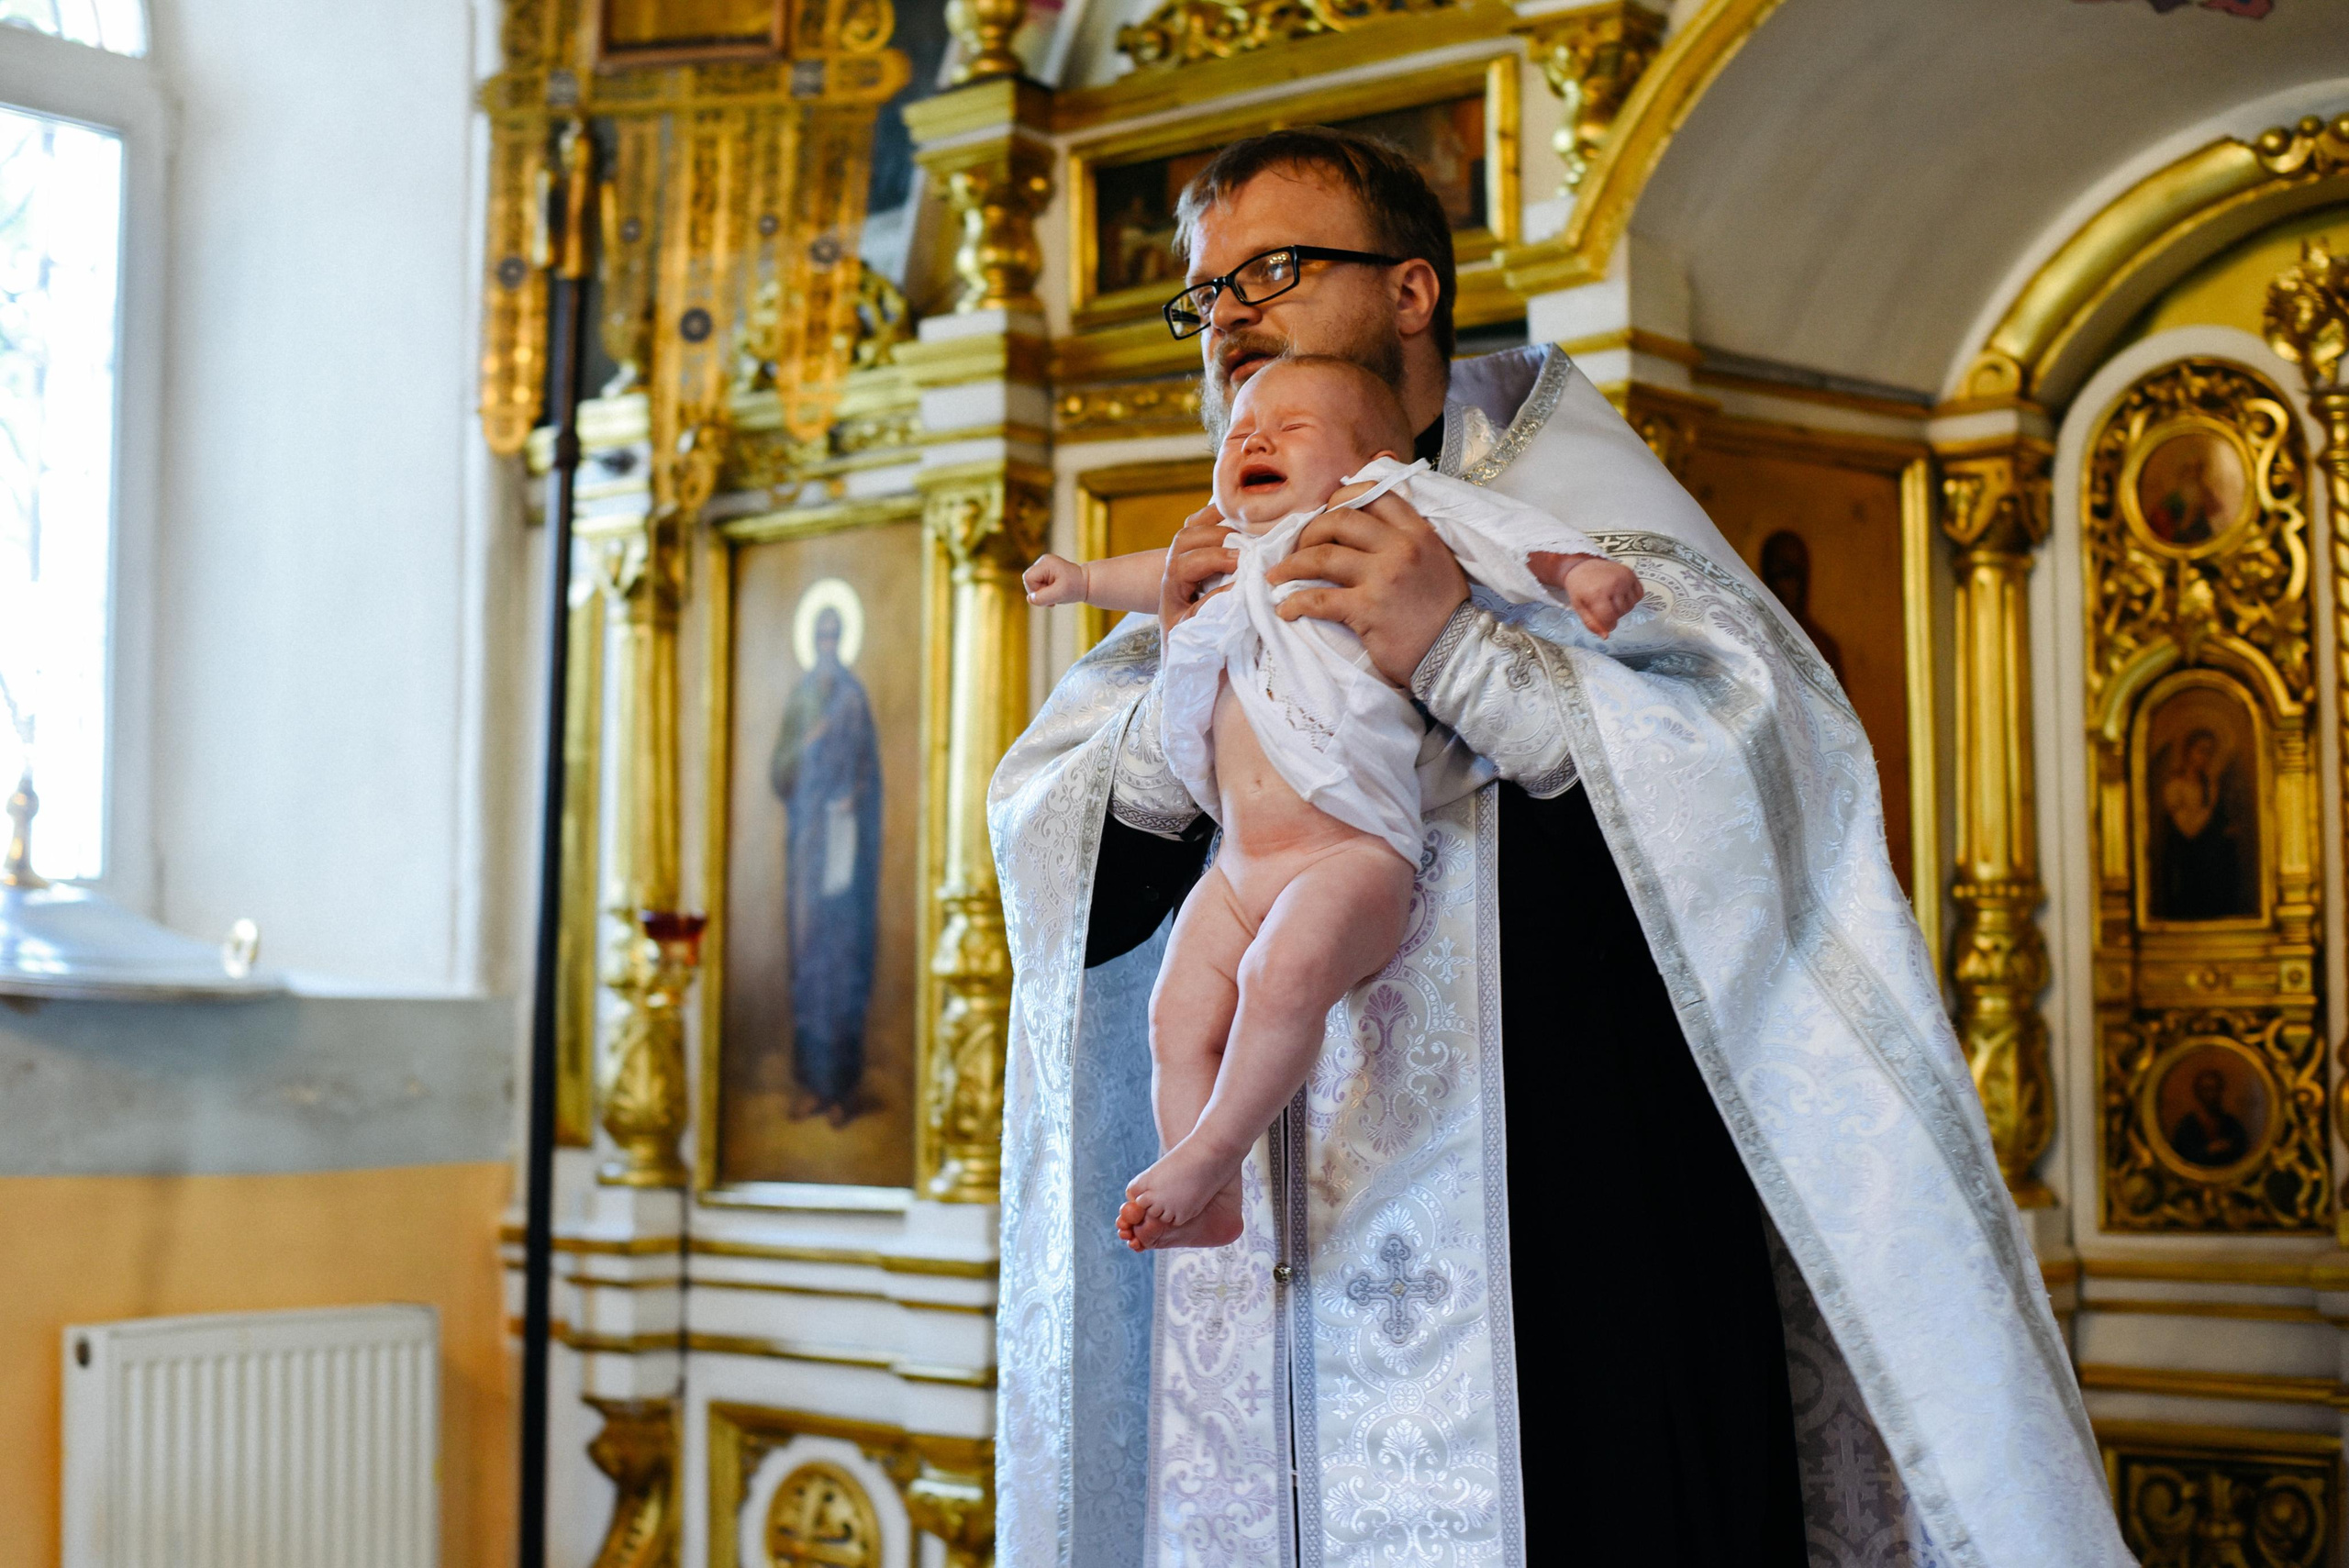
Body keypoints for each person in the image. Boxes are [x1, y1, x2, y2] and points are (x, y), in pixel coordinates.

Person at [987, 128, 2133, 1568]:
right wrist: (1184, 711)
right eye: (1206, 294)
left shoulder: (1579, 520)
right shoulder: (1222, 554)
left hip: (1578, 1273)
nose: (1228, 316)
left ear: (1412, 290)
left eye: (1272, 270)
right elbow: (1066, 883)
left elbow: (1750, 822)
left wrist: (1461, 654)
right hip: (1271, 1296)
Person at [1024, 355, 1638, 1251]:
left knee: (1280, 980)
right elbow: (1151, 575)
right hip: (1241, 862)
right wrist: (1081, 580)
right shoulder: (1233, 552)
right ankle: (1209, 1189)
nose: (1253, 440)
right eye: (1239, 432)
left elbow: (1503, 535)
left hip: (1349, 853)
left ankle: (1212, 1148)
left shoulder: (1391, 508)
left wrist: (1577, 572)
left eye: (1288, 427)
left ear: (1370, 462)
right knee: (1175, 1013)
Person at [769, 604, 882, 1128]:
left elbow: (868, 774)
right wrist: (806, 744)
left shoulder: (854, 701)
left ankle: (841, 1089)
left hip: (845, 852)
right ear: (813, 640)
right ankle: (812, 1084)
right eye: (823, 636)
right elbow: (780, 772)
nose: (829, 645)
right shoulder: (801, 700)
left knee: (842, 959)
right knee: (809, 959)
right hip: (808, 849)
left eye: (837, 636)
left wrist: (854, 797)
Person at [2170, 1067, 2250, 1165]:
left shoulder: (2232, 1124)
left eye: (2216, 1089)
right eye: (2207, 1089)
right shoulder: (2186, 1126)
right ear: (2198, 1093)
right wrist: (2207, 1151)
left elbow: (2242, 1153)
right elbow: (2181, 1158)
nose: (2212, 1094)